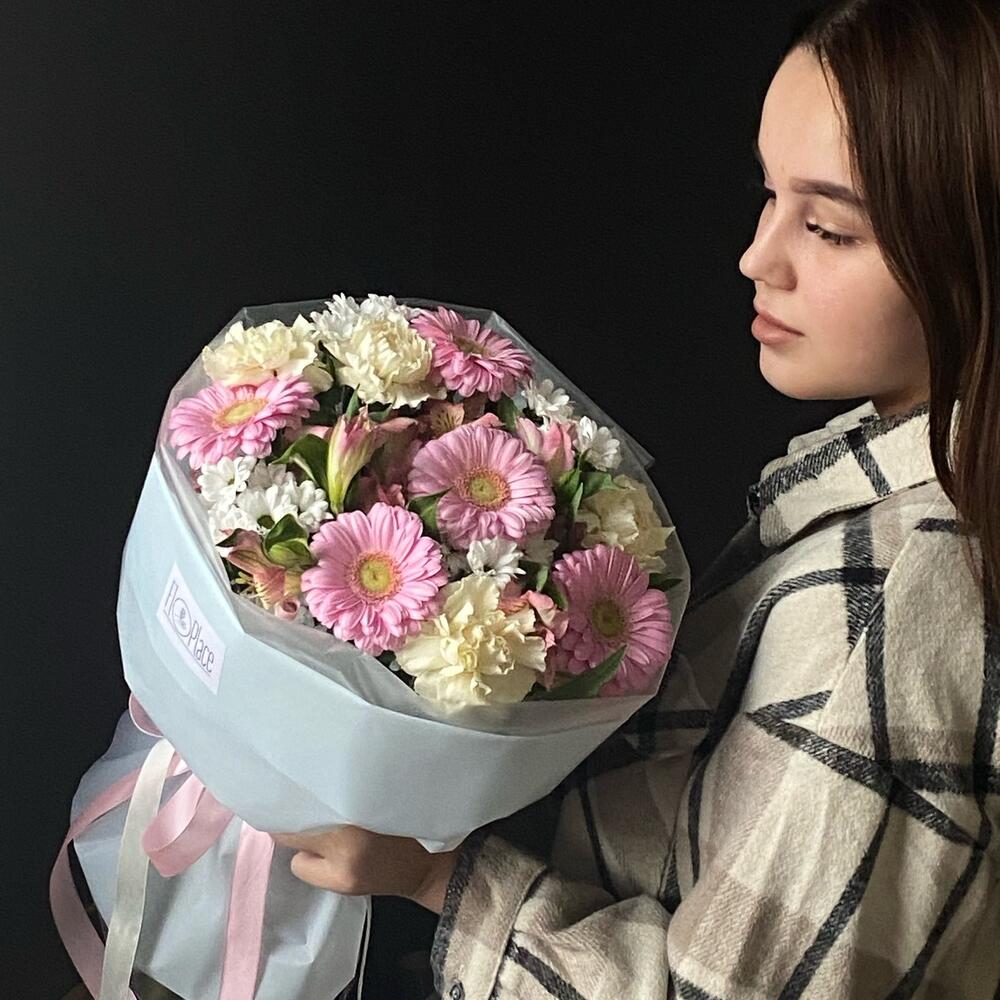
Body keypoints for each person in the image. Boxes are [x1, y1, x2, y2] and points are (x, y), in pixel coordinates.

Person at [272, 1, 1000, 996]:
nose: (758, 256)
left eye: (828, 227)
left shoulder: (914, 592)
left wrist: (437, 877)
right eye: (769, 193)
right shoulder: (875, 477)